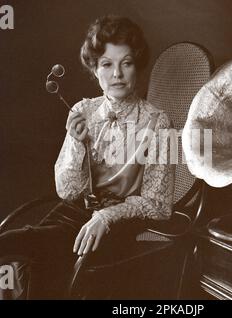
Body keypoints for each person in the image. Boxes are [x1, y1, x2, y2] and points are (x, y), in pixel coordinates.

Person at [0, 15, 175, 299]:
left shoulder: (158, 122)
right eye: (107, 64)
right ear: (94, 69)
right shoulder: (83, 111)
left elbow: (159, 205)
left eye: (126, 63)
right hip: (76, 213)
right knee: (15, 246)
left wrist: (106, 216)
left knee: (43, 257)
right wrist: (79, 145)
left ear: (137, 66)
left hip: (122, 222)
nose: (117, 73)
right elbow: (67, 191)